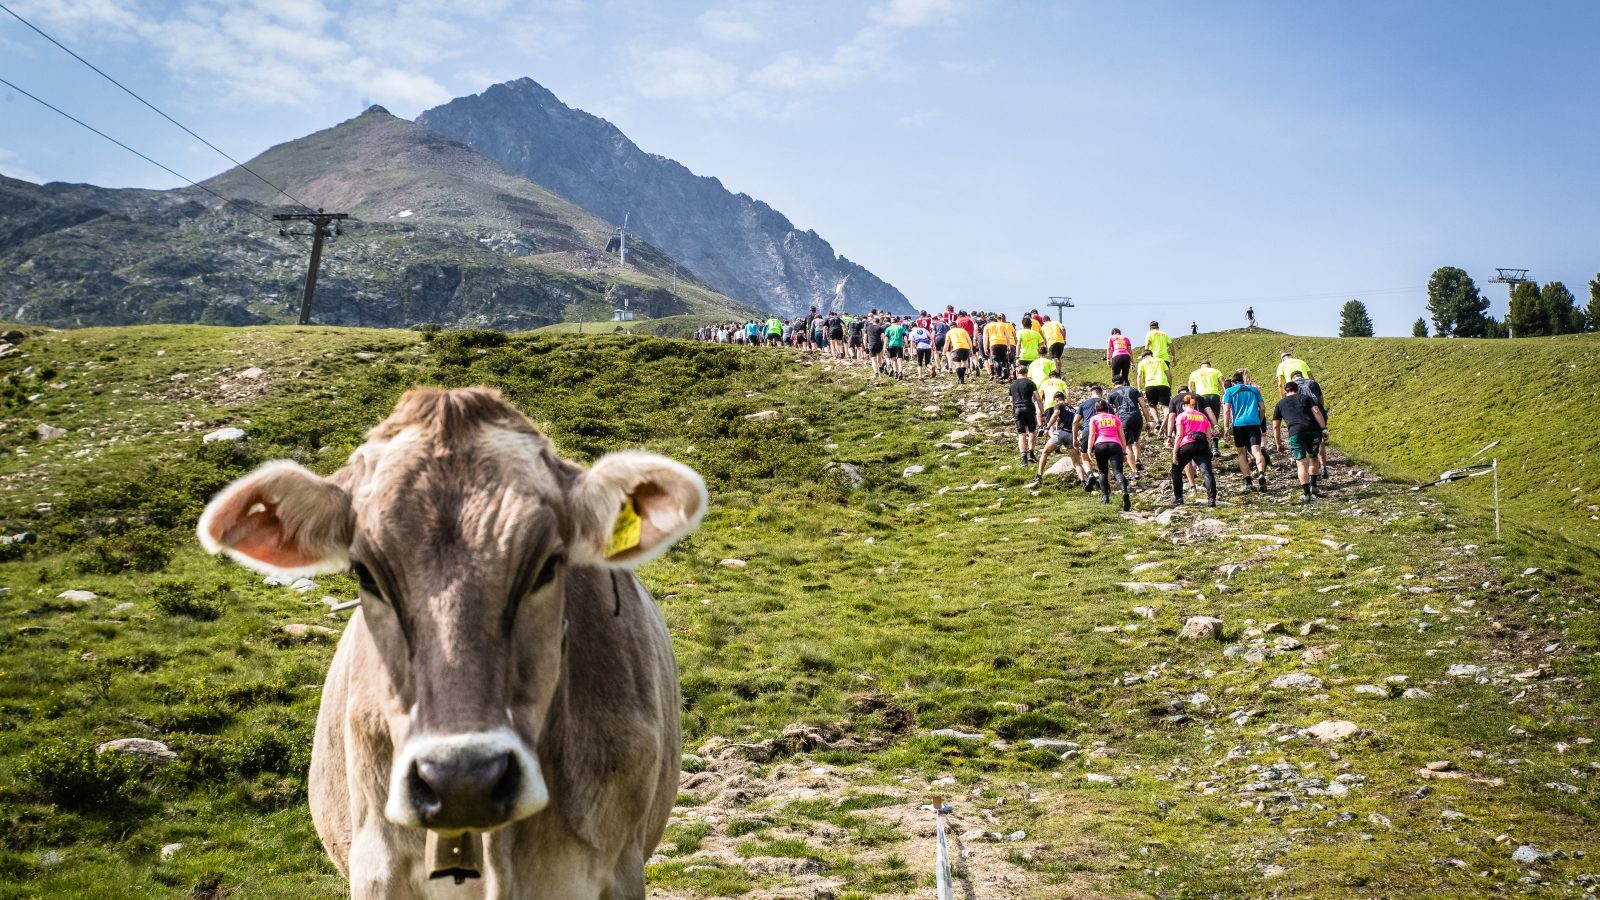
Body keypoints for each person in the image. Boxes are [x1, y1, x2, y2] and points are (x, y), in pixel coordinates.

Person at [1272, 380, 1326, 502]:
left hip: (1295, 432)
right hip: (1313, 430)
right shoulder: (1306, 398)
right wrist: (1323, 428)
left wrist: (1278, 443)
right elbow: (1317, 411)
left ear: (1286, 391)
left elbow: (1276, 426)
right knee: (1313, 457)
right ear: (1297, 389)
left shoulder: (1280, 404)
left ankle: (1306, 494)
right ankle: (1313, 486)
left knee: (1301, 462)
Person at [1222, 369, 1269, 492]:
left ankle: (1248, 482)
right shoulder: (1254, 390)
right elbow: (1262, 408)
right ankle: (1261, 473)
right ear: (1243, 381)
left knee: (1242, 453)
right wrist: (1259, 421)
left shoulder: (1229, 391)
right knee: (1256, 450)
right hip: (1254, 423)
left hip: (1239, 425)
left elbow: (1226, 410)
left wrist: (1226, 428)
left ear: (1233, 383)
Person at [1030, 392, 1086, 489]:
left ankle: (1039, 476)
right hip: (1071, 435)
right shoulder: (1073, 410)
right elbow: (1077, 424)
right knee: (1076, 462)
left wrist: (1047, 428)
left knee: (1045, 452)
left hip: (1061, 433)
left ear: (1056, 399)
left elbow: (1055, 415)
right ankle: (1083, 481)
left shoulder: (1059, 405)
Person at [1170, 393, 1218, 507]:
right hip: (1202, 445)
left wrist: (1175, 452)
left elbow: (1179, 435)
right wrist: (1208, 448)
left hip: (1187, 444)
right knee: (1207, 472)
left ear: (1183, 405)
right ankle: (1211, 499)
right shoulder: (1203, 416)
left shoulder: (1181, 416)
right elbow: (1208, 436)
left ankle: (1179, 498)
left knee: (1176, 470)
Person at [1086, 400, 1132, 511]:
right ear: (1107, 408)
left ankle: (1105, 496)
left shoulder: (1094, 419)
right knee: (1118, 472)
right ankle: (1124, 491)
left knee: (1103, 472)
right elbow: (1122, 435)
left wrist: (1089, 449)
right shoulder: (1114, 418)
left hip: (1100, 445)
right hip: (1115, 444)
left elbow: (1092, 434)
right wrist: (1124, 451)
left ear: (1096, 409)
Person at [1106, 377, 1145, 473]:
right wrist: (1148, 420)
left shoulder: (1111, 394)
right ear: (1124, 382)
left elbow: (1109, 410)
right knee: (1136, 440)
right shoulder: (1134, 389)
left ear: (1113, 383)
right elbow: (1143, 405)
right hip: (1137, 417)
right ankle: (1137, 459)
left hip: (1123, 419)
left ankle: (1134, 471)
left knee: (1127, 445)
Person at [1187, 359, 1225, 452]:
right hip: (1214, 396)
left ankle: (1205, 446)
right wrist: (1225, 394)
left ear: (1201, 366)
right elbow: (1223, 384)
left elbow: (1190, 389)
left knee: (1202, 420)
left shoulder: (1194, 373)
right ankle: (1215, 447)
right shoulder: (1216, 371)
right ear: (1209, 365)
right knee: (1214, 421)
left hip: (1200, 397)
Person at [1075, 385, 1106, 493]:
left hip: (1087, 430)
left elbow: (1075, 422)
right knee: (1102, 457)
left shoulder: (1084, 404)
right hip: (1103, 432)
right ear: (1101, 393)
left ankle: (1090, 474)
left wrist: (1074, 437)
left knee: (1084, 455)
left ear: (1090, 393)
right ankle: (1104, 485)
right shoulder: (1104, 403)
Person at [1009, 367, 1041, 466]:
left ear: (1017, 373)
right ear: (1026, 373)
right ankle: (1031, 453)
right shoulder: (1030, 383)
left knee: (1021, 434)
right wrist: (1042, 413)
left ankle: (1024, 459)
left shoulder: (1012, 384)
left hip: (1017, 409)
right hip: (1029, 407)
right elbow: (1038, 398)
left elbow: (1011, 401)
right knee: (1032, 431)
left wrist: (1013, 410)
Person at [1137, 349, 1172, 432]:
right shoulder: (1160, 360)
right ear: (1151, 354)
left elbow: (1139, 376)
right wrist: (1169, 385)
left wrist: (1139, 388)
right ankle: (1167, 420)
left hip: (1150, 385)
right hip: (1163, 384)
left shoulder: (1142, 363)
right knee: (1165, 406)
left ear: (1143, 356)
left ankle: (1157, 422)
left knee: (1152, 405)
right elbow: (1169, 374)